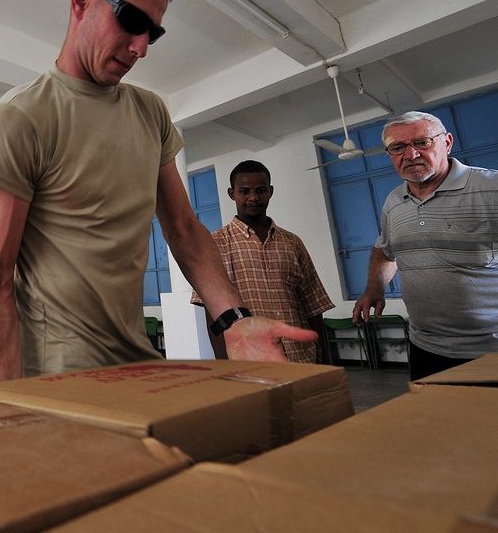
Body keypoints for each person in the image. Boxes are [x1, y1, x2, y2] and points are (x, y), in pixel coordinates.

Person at [0, 0, 316, 382]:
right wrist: (9, 405)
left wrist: (234, 320)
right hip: (54, 377)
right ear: (82, 0)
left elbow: (185, 229)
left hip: (137, 361)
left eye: (151, 33)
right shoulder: (20, 120)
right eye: (131, 21)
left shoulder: (150, 112)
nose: (141, 48)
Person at [353, 111, 498, 380]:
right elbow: (385, 250)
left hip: (491, 350)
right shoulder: (393, 202)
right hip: (425, 348)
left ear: (447, 142)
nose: (410, 155)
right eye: (398, 147)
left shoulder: (492, 188)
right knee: (435, 422)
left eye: (422, 142)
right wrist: (374, 289)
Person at [191, 161, 335, 363]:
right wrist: (224, 365)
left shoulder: (293, 242)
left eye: (260, 190)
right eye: (244, 191)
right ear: (232, 194)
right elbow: (212, 314)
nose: (253, 198)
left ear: (271, 191)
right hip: (250, 361)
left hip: (301, 358)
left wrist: (326, 359)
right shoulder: (215, 244)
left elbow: (312, 305)